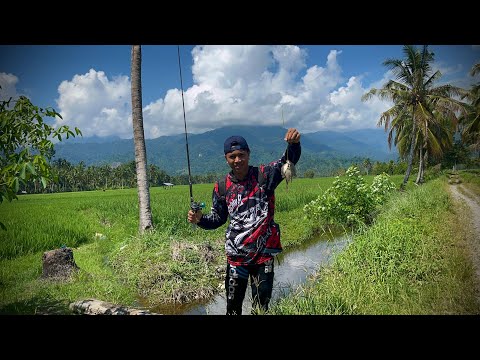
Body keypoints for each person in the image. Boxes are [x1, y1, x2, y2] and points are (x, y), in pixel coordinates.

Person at [187, 128, 301, 315]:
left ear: (248, 154)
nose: (237, 160)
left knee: (261, 307)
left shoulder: (265, 175)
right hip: (236, 257)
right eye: (232, 156)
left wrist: (294, 144)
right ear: (226, 158)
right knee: (233, 309)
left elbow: (289, 161)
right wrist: (200, 219)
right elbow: (218, 218)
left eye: (241, 155)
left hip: (263, 255)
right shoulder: (222, 187)